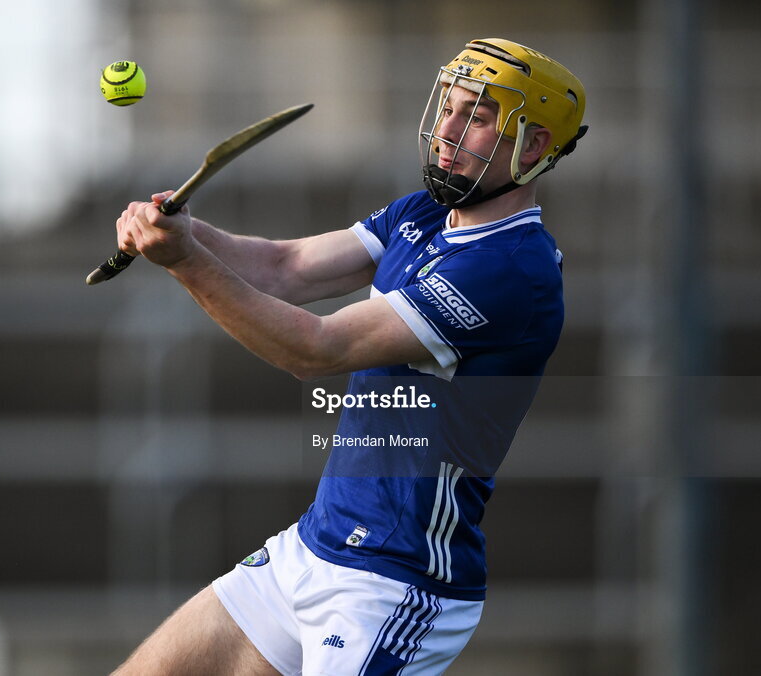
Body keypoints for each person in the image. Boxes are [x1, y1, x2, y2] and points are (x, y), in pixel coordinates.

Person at [110, 38, 587, 676]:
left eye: (475, 117)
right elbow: (285, 268)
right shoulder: (427, 213)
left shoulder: (509, 270)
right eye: (448, 105)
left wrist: (187, 265)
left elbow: (315, 348)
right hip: (311, 549)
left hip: (393, 584)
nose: (446, 130)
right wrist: (186, 232)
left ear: (532, 148)